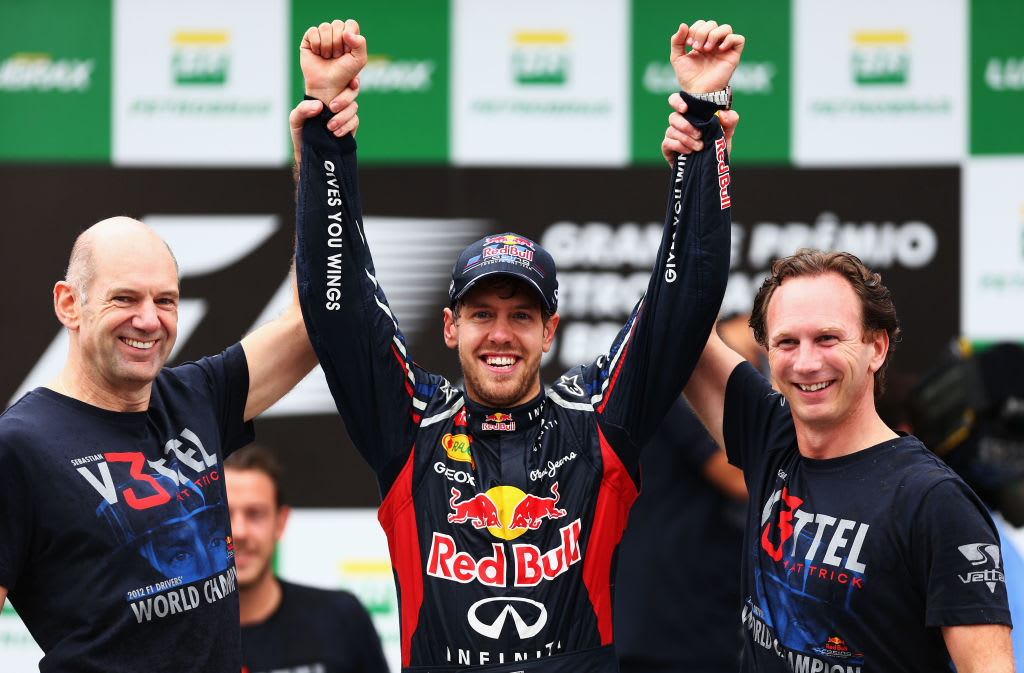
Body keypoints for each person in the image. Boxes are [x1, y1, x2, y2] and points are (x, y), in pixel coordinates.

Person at [293, 18, 740, 672]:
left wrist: (703, 120)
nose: (500, 333)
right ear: (450, 327)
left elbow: (686, 299)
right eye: (481, 313)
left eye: (521, 315)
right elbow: (338, 308)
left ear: (550, 330)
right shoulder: (409, 424)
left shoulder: (598, 422)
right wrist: (327, 128)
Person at [0, 22, 365, 672]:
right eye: (124, 298)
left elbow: (316, 321)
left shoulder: (192, 395)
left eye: (165, 300)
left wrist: (319, 147)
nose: (150, 319)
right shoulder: (19, 445)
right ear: (68, 304)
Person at [675, 229, 1015, 666]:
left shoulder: (932, 500)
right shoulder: (772, 437)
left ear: (877, 347)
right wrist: (694, 172)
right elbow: (678, 317)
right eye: (786, 342)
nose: (806, 362)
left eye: (828, 339)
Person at [614, 315, 760, 673]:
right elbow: (738, 479)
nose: (762, 374)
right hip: (666, 616)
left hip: (704, 609)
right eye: (754, 360)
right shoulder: (683, 391)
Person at [225, 444, 389, 673]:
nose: (239, 532)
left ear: (280, 523)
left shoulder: (341, 618)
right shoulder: (175, 635)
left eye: (255, 514)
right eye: (223, 515)